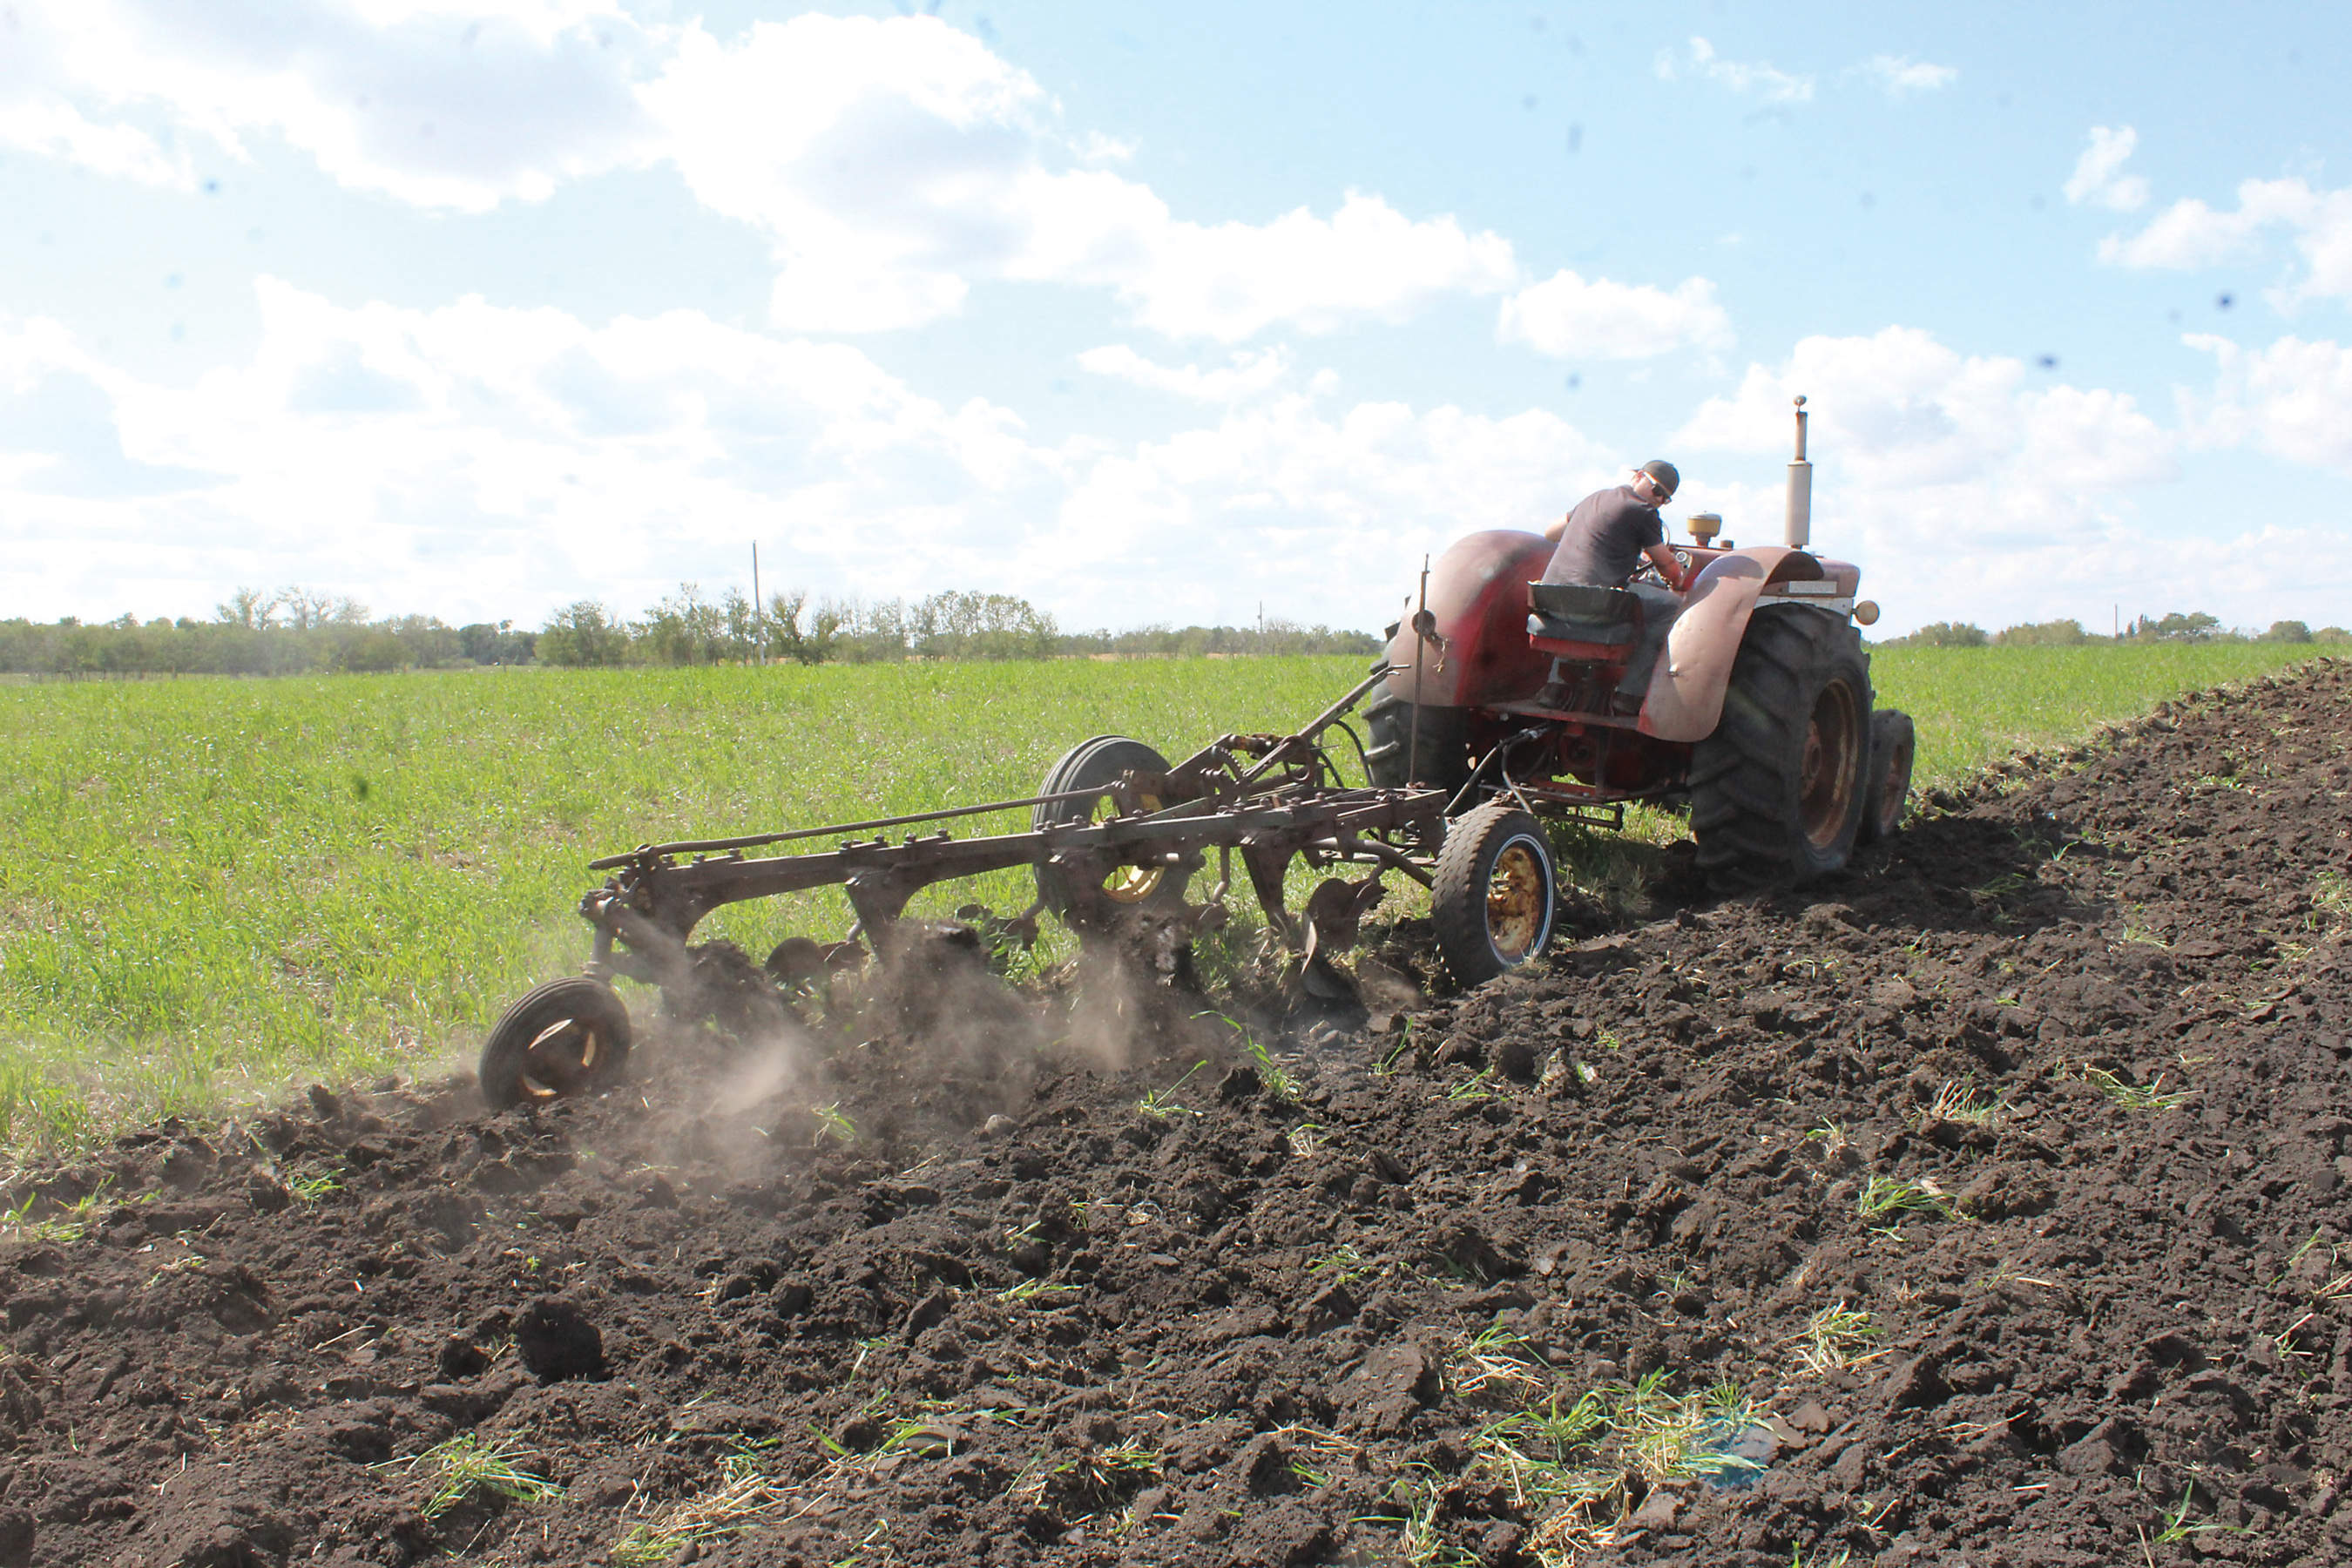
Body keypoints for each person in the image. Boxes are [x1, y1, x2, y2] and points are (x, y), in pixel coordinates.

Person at [1540, 460, 1691, 590]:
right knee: (1671, 604)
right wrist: (1678, 581)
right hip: (1592, 596)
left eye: (1665, 499)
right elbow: (1667, 564)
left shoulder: (1596, 498)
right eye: (1656, 490)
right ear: (1639, 476)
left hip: (1550, 590)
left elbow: (1551, 533)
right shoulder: (1644, 510)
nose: (1658, 499)